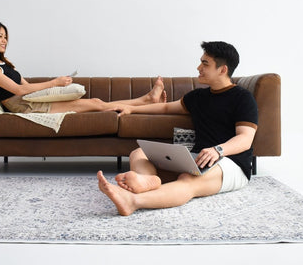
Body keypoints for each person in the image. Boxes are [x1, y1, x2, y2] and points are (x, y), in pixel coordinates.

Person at [97, 41, 258, 216]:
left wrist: (218, 150)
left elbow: (245, 138)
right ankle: (149, 181)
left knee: (187, 180)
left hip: (231, 163)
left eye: (205, 64)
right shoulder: (198, 96)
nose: (198, 67)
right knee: (138, 153)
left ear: (222, 70)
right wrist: (132, 108)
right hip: (198, 159)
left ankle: (133, 201)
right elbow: (166, 107)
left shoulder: (243, 98)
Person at [0, 21, 166, 114]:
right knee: (96, 104)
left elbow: (26, 86)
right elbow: (18, 90)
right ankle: (147, 101)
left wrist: (56, 87)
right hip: (22, 106)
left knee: (96, 102)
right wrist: (54, 82)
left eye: (5, 36)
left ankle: (147, 100)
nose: (4, 40)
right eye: (0, 36)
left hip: (28, 100)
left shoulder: (4, 64)